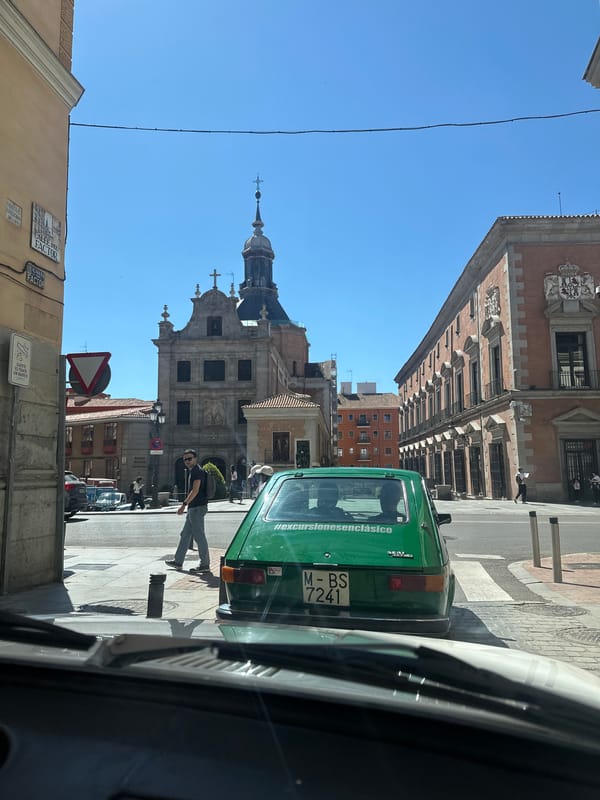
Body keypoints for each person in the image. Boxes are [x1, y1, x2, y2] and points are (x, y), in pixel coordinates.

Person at [165, 449, 210, 573]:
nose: (187, 461)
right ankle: (178, 562)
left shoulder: (197, 471)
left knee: (199, 536)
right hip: (193, 508)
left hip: (197, 507)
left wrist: (183, 505)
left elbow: (195, 491)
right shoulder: (194, 471)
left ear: (195, 458)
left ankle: (205, 565)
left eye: (189, 459)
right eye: (185, 459)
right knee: (185, 535)